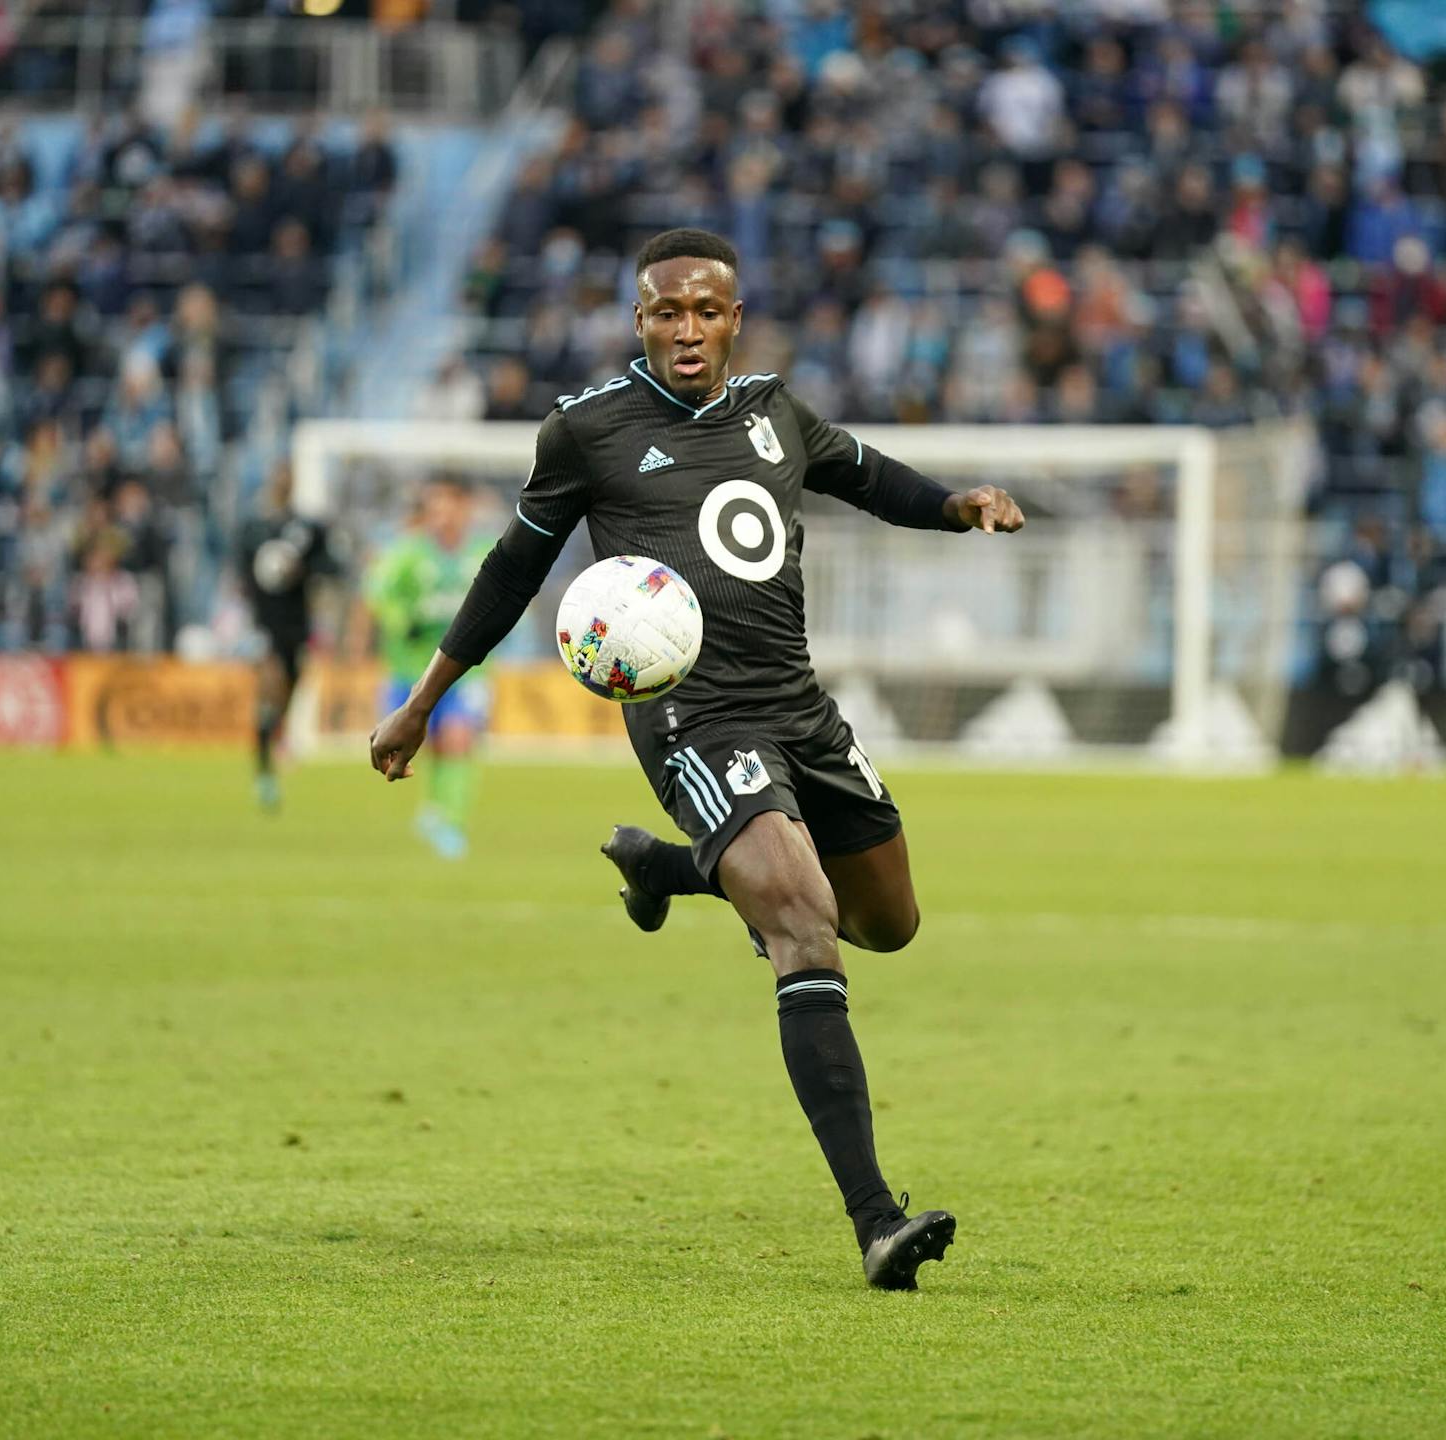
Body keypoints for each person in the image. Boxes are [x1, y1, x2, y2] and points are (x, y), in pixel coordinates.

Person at [367, 229, 1026, 1290]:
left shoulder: (776, 413)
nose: (686, 329)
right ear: (640, 322)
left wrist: (957, 505)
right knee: (807, 928)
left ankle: (670, 867)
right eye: (665, 312)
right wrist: (421, 701)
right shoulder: (584, 431)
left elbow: (869, 477)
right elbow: (509, 572)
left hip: (800, 710)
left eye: (705, 312)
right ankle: (875, 1223)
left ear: (733, 319)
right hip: (692, 722)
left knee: (888, 922)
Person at [358, 478, 493, 860]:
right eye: (434, 508)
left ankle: (450, 820)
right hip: (410, 669)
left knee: (459, 737)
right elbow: (377, 592)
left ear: (465, 508)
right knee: (426, 745)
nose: (442, 516)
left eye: (449, 506)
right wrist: (404, 620)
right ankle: (433, 810)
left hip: (468, 672)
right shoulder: (407, 553)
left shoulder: (484, 552)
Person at [236, 462, 341, 813]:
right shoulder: (253, 529)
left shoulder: (306, 528)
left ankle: (278, 737)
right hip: (263, 625)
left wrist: (304, 569)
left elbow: (331, 566)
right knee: (271, 687)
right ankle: (265, 774)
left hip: (297, 625)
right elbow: (241, 574)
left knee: (290, 689)